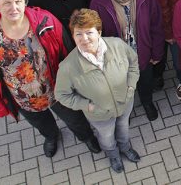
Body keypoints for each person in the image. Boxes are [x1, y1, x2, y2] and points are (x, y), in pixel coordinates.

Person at [0, 0, 100, 158]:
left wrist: (78, 81)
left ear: (25, 2)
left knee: (75, 119)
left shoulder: (45, 22)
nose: (13, 8)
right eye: (7, 3)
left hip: (57, 90)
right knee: (41, 123)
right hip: (23, 99)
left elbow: (67, 51)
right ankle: (51, 136)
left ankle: (86, 136)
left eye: (18, 2)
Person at [54, 9, 141, 172]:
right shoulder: (67, 67)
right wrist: (87, 105)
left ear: (99, 32)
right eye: (78, 34)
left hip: (125, 103)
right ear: (73, 36)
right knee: (106, 137)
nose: (84, 39)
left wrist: (130, 86)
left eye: (89, 32)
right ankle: (113, 155)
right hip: (99, 114)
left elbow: (133, 62)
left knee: (123, 128)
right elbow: (61, 95)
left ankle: (125, 147)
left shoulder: (117, 45)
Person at [90, 0, 164, 122]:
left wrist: (156, 53)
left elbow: (156, 26)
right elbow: (96, 37)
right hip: (116, 60)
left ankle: (147, 102)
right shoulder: (98, 3)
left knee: (145, 82)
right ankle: (125, 110)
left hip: (143, 53)